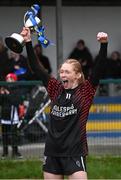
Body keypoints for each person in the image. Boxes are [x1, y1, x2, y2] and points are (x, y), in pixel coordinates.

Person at [21, 27, 108, 179]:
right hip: (52, 152)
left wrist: (104, 44)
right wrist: (28, 42)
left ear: (78, 75)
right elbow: (37, 67)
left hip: (74, 152)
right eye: (61, 71)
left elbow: (99, 69)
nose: (63, 74)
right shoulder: (55, 88)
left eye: (67, 72)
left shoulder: (85, 91)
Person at [0, 73, 23, 159]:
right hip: (4, 115)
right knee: (5, 135)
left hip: (13, 115)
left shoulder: (17, 89)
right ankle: (5, 152)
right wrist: (2, 94)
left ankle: (15, 152)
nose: (8, 80)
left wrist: (8, 94)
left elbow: (16, 102)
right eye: (7, 78)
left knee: (14, 134)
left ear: (14, 80)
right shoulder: (3, 88)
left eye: (10, 78)